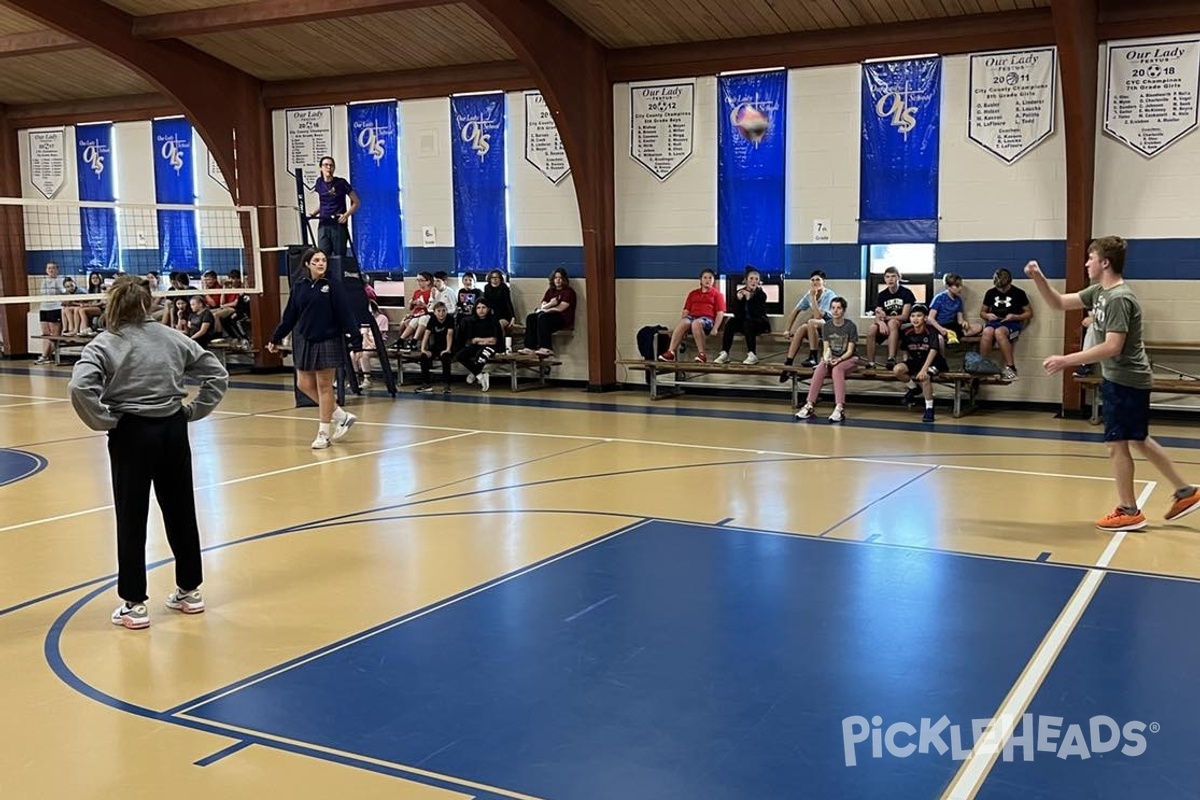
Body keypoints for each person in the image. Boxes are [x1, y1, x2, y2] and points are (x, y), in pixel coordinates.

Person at [66, 275, 228, 630]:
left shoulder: (104, 344)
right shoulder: (174, 338)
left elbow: (79, 386)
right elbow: (216, 375)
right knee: (181, 509)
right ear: (148, 302)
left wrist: (104, 421)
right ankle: (190, 591)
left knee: (132, 515)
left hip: (131, 432)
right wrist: (194, 411)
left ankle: (135, 605)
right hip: (172, 429)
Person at [1025, 237, 1200, 532]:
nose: (1086, 263)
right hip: (1120, 379)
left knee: (1116, 445)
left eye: (1090, 258)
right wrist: (1039, 278)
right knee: (1138, 439)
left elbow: (1112, 347)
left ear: (1105, 262)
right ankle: (1186, 492)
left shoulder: (1120, 298)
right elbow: (1058, 303)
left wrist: (1066, 360)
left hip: (1127, 380)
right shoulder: (1099, 292)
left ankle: (1129, 510)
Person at [267, 247, 361, 450]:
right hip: (306, 340)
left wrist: (356, 340)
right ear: (307, 264)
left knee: (324, 386)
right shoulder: (299, 286)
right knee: (303, 383)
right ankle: (340, 416)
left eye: (324, 260)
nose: (321, 263)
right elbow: (289, 316)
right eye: (316, 260)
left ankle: (323, 434)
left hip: (328, 339)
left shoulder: (332, 286)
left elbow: (346, 314)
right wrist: (275, 338)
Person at [795, 297, 858, 423]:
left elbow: (850, 350)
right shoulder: (827, 326)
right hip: (833, 357)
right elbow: (826, 348)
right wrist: (826, 358)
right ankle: (809, 405)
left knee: (837, 370)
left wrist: (839, 359)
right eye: (833, 308)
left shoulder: (850, 326)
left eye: (839, 308)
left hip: (849, 358)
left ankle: (839, 407)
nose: (835, 311)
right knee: (820, 367)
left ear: (843, 310)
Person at [658, 268, 725, 363]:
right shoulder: (693, 294)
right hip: (692, 317)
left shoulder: (717, 295)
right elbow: (686, 310)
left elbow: (720, 312)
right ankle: (671, 352)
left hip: (706, 320)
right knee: (684, 321)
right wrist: (683, 328)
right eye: (705, 277)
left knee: (696, 323)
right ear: (701, 280)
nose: (708, 280)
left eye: (710, 278)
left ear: (713, 280)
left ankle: (702, 354)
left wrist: (715, 328)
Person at [894, 303, 946, 423]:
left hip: (934, 361)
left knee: (925, 377)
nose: (915, 319)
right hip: (917, 360)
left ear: (925, 318)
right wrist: (907, 364)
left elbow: (933, 351)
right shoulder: (907, 331)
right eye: (912, 316)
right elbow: (905, 350)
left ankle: (929, 408)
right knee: (897, 369)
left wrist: (923, 370)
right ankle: (914, 388)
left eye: (919, 316)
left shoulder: (931, 331)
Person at [980, 267, 1033, 381]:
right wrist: (988, 315)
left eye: (1004, 288)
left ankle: (1011, 367)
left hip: (1012, 323)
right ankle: (982, 364)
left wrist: (1015, 316)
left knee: (999, 333)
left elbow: (1029, 313)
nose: (1001, 290)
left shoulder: (1019, 293)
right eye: (999, 288)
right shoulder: (990, 293)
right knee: (987, 331)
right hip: (994, 321)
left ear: (1010, 282)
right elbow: (982, 312)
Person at [781, 269, 835, 369]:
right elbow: (795, 311)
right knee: (802, 328)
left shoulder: (829, 295)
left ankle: (813, 356)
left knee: (812, 322)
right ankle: (789, 361)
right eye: (813, 280)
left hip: (830, 326)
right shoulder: (808, 295)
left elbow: (818, 316)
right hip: (816, 326)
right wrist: (787, 330)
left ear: (824, 281)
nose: (815, 282)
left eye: (818, 280)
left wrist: (813, 298)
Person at [716, 267, 769, 365]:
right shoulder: (740, 292)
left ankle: (752, 354)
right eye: (751, 278)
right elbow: (737, 314)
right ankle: (725, 353)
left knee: (748, 323)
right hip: (744, 323)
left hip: (759, 323)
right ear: (746, 280)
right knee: (731, 322)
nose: (754, 281)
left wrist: (750, 300)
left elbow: (757, 314)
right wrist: (738, 301)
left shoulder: (761, 295)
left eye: (756, 279)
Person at [866, 266, 916, 368]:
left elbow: (905, 316)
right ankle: (871, 362)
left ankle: (891, 358)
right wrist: (880, 322)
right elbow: (878, 314)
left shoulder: (906, 293)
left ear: (898, 277)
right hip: (886, 323)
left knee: (892, 322)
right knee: (872, 328)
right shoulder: (882, 295)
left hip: (902, 324)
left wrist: (886, 318)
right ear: (884, 279)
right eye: (887, 277)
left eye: (893, 276)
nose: (890, 279)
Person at [309, 156, 359, 256]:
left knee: (339, 257)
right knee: (323, 255)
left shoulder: (341, 183)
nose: (329, 168)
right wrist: (313, 214)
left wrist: (346, 215)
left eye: (331, 165)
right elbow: (323, 203)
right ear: (321, 168)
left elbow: (356, 202)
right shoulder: (319, 182)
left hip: (337, 225)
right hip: (323, 224)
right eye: (326, 165)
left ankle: (341, 272)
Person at [520, 267, 576, 356]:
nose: (558, 280)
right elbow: (543, 305)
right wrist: (550, 304)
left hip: (562, 318)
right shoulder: (550, 291)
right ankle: (530, 347)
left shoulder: (568, 292)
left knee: (543, 317)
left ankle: (546, 347)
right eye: (556, 278)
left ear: (564, 279)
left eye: (560, 278)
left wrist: (546, 310)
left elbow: (561, 308)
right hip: (548, 314)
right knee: (531, 317)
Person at [458, 298, 503, 392]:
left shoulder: (494, 320)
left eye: (483, 307)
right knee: (461, 355)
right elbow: (473, 340)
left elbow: (493, 341)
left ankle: (474, 373)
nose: (481, 310)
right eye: (478, 308)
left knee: (481, 354)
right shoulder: (472, 321)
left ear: (488, 309)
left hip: (493, 347)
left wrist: (480, 340)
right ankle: (480, 375)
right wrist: (483, 340)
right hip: (477, 345)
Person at [927, 273, 983, 346]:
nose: (960, 288)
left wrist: (964, 323)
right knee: (941, 335)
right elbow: (930, 318)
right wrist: (941, 329)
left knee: (979, 327)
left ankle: (956, 336)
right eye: (957, 286)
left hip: (952, 324)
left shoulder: (958, 300)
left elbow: (960, 320)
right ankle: (953, 336)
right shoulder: (939, 298)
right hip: (939, 325)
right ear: (948, 287)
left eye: (960, 285)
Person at [416, 301, 455, 394]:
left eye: (443, 311)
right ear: (434, 312)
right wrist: (423, 350)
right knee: (423, 357)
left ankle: (446, 385)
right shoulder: (432, 319)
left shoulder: (450, 319)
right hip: (436, 346)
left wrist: (448, 349)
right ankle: (426, 384)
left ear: (446, 311)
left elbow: (449, 334)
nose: (441, 313)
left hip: (448, 346)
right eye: (439, 311)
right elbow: (426, 334)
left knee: (446, 358)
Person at [34, 261, 66, 364]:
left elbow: (65, 291)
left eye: (53, 268)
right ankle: (45, 357)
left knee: (54, 335)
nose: (51, 270)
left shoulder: (60, 280)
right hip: (44, 308)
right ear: (46, 270)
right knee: (45, 334)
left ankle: (48, 356)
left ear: (57, 270)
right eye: (49, 268)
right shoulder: (44, 281)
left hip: (55, 308)